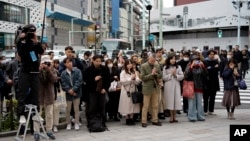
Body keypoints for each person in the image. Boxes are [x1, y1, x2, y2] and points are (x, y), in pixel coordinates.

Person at [16, 24, 45, 140]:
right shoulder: (21, 42)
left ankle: (36, 115)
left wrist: (36, 40)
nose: (31, 34)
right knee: (22, 93)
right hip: (25, 72)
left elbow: (41, 51)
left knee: (36, 93)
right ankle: (21, 114)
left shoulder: (34, 43)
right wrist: (21, 39)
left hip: (35, 72)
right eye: (30, 32)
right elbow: (21, 54)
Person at [85, 55, 110, 132]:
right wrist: (94, 79)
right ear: (93, 61)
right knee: (92, 108)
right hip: (92, 92)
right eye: (97, 61)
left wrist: (105, 89)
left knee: (102, 107)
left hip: (102, 91)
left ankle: (102, 122)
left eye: (100, 61)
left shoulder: (104, 69)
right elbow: (86, 81)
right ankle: (91, 123)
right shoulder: (88, 70)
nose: (98, 63)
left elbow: (108, 80)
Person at [140, 54, 162, 128]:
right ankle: (144, 121)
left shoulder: (157, 65)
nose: (153, 62)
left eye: (154, 60)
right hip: (147, 88)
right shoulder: (143, 66)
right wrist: (151, 74)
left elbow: (160, 75)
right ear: (148, 59)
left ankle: (155, 120)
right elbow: (142, 77)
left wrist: (156, 74)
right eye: (151, 60)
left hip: (155, 88)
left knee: (155, 105)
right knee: (145, 106)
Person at [37, 55, 57, 140]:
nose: (46, 64)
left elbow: (54, 80)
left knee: (49, 114)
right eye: (44, 63)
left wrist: (48, 70)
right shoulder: (37, 70)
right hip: (40, 96)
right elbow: (38, 80)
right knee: (37, 115)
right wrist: (40, 70)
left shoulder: (53, 70)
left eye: (47, 63)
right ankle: (36, 131)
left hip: (49, 95)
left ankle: (49, 130)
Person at [61, 58, 82, 131]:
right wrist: (69, 90)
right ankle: (68, 123)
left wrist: (73, 89)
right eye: (67, 62)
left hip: (76, 92)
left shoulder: (77, 71)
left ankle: (76, 122)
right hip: (68, 94)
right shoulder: (63, 73)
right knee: (68, 109)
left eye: (70, 62)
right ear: (65, 64)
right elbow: (63, 83)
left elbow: (79, 81)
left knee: (76, 109)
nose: (69, 63)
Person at [184, 55, 207, 122]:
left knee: (199, 103)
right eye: (194, 60)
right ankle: (192, 117)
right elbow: (186, 75)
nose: (196, 61)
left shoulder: (200, 67)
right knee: (191, 103)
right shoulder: (189, 66)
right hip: (191, 87)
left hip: (199, 86)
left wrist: (203, 67)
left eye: (197, 60)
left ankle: (200, 116)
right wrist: (191, 67)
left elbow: (205, 75)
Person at [118, 59, 141, 125]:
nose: (130, 65)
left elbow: (137, 82)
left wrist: (136, 78)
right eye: (128, 64)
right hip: (126, 91)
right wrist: (131, 78)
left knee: (133, 105)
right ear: (125, 65)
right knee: (126, 105)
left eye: (131, 64)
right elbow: (123, 82)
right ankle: (127, 118)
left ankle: (131, 117)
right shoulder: (123, 72)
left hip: (133, 90)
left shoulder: (133, 71)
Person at [163, 54, 184, 123]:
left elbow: (182, 76)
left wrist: (175, 75)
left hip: (176, 85)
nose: (173, 60)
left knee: (176, 100)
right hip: (168, 86)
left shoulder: (178, 67)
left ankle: (175, 116)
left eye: (174, 59)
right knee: (170, 100)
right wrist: (171, 74)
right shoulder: (165, 67)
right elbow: (164, 78)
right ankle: (171, 116)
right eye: (171, 59)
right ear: (169, 60)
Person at [203, 50, 220, 115]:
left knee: (213, 97)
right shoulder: (205, 61)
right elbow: (207, 70)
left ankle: (211, 110)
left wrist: (212, 68)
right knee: (206, 97)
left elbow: (218, 69)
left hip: (214, 81)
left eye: (213, 54)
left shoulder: (216, 61)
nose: (212, 55)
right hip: (207, 81)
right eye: (211, 54)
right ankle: (205, 110)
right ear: (208, 55)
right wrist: (213, 68)